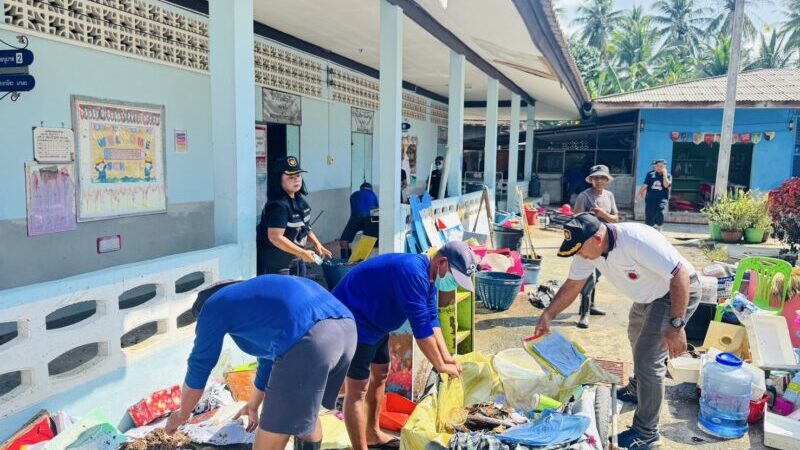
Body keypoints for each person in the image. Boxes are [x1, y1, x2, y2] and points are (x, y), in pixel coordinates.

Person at [533, 213, 701, 450]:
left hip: (676, 291)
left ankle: (647, 433)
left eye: (581, 249)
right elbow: (573, 285)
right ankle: (638, 388)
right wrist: (548, 314)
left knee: (648, 356)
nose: (579, 254)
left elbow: (680, 274)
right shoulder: (589, 248)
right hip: (648, 295)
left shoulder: (636, 240)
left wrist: (676, 326)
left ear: (598, 238)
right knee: (635, 334)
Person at [164, 276, 357, 450]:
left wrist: (182, 415)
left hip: (311, 338)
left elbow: (200, 366)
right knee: (305, 414)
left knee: (269, 438)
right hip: (346, 329)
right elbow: (267, 359)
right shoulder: (252, 298)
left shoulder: (212, 307)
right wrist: (253, 405)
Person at [333, 241, 478, 450]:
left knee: (381, 373)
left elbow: (432, 318)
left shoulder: (431, 275)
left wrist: (447, 357)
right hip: (356, 320)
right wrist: (441, 366)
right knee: (357, 389)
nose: (454, 284)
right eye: (455, 277)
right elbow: (421, 332)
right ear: (442, 261)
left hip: (377, 324)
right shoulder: (413, 273)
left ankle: (372, 434)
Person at [257, 156, 332, 275]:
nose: (296, 180)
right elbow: (275, 237)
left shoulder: (300, 201)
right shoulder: (278, 207)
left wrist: (317, 244)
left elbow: (305, 227)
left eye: (298, 175)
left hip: (295, 261)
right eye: (290, 177)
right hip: (277, 265)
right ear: (278, 180)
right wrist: (302, 253)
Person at [572, 164, 619, 329]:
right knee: (588, 277)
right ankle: (584, 313)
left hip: (605, 242)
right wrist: (590, 217)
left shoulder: (609, 195)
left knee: (597, 276)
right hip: (588, 243)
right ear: (591, 179)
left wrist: (603, 214)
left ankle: (591, 305)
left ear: (607, 180)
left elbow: (615, 218)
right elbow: (576, 220)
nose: (599, 181)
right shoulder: (584, 196)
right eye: (596, 178)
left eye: (602, 178)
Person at [340, 182, 379, 260]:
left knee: (344, 241)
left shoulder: (354, 195)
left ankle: (346, 262)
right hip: (369, 219)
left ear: (361, 188)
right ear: (370, 189)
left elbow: (353, 210)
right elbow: (376, 213)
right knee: (368, 242)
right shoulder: (373, 195)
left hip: (355, 217)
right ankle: (363, 260)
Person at [637, 159, 672, 230]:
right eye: (658, 166)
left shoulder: (668, 175)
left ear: (665, 167)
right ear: (655, 166)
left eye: (661, 166)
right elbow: (645, 184)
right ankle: (648, 228)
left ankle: (659, 226)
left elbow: (666, 185)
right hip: (651, 197)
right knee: (649, 213)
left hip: (662, 198)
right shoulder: (650, 174)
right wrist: (639, 193)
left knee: (660, 211)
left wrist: (664, 175)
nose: (659, 168)